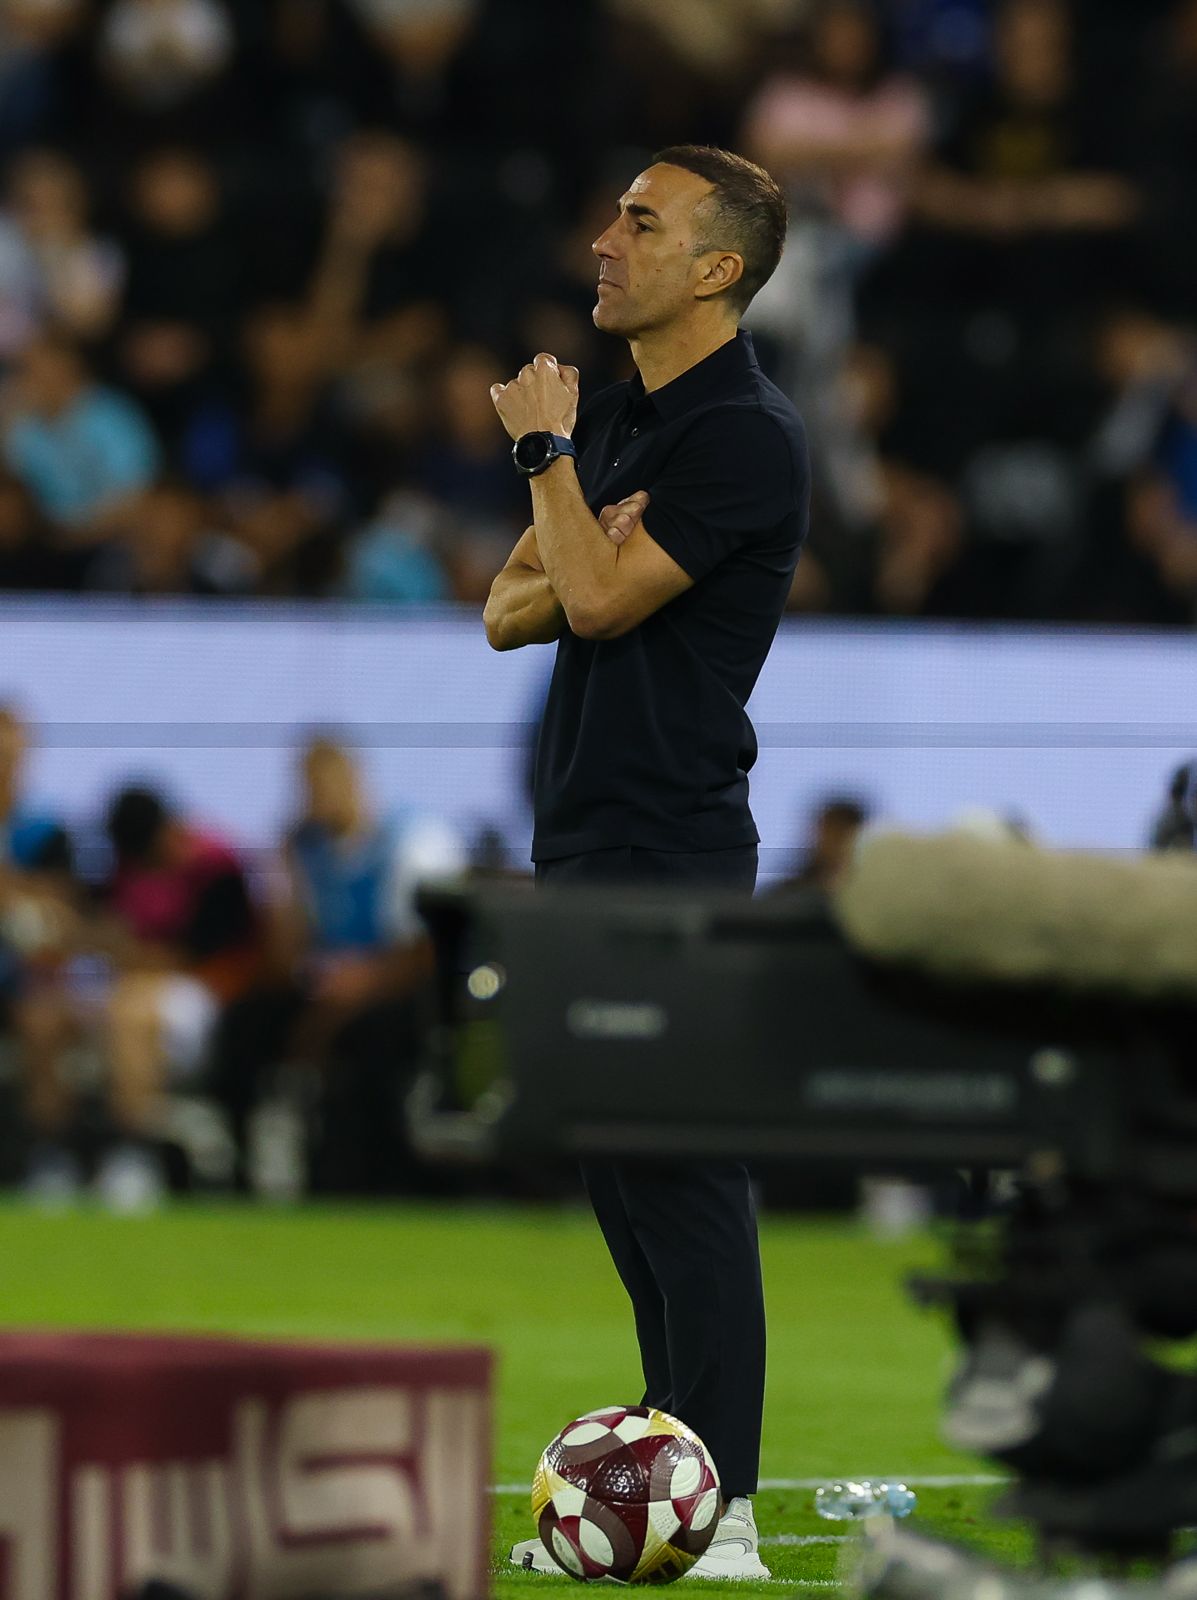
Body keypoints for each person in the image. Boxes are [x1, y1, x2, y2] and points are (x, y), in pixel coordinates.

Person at [485, 144, 807, 1580]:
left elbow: (598, 601)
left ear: (717, 269)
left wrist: (550, 469)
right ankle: (671, 1484)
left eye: (641, 221)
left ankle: (725, 1508)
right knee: (624, 1170)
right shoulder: (620, 420)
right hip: (584, 831)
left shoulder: (742, 434)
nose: (605, 241)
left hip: (673, 840)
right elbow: (508, 608)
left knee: (682, 1168)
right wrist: (579, 521)